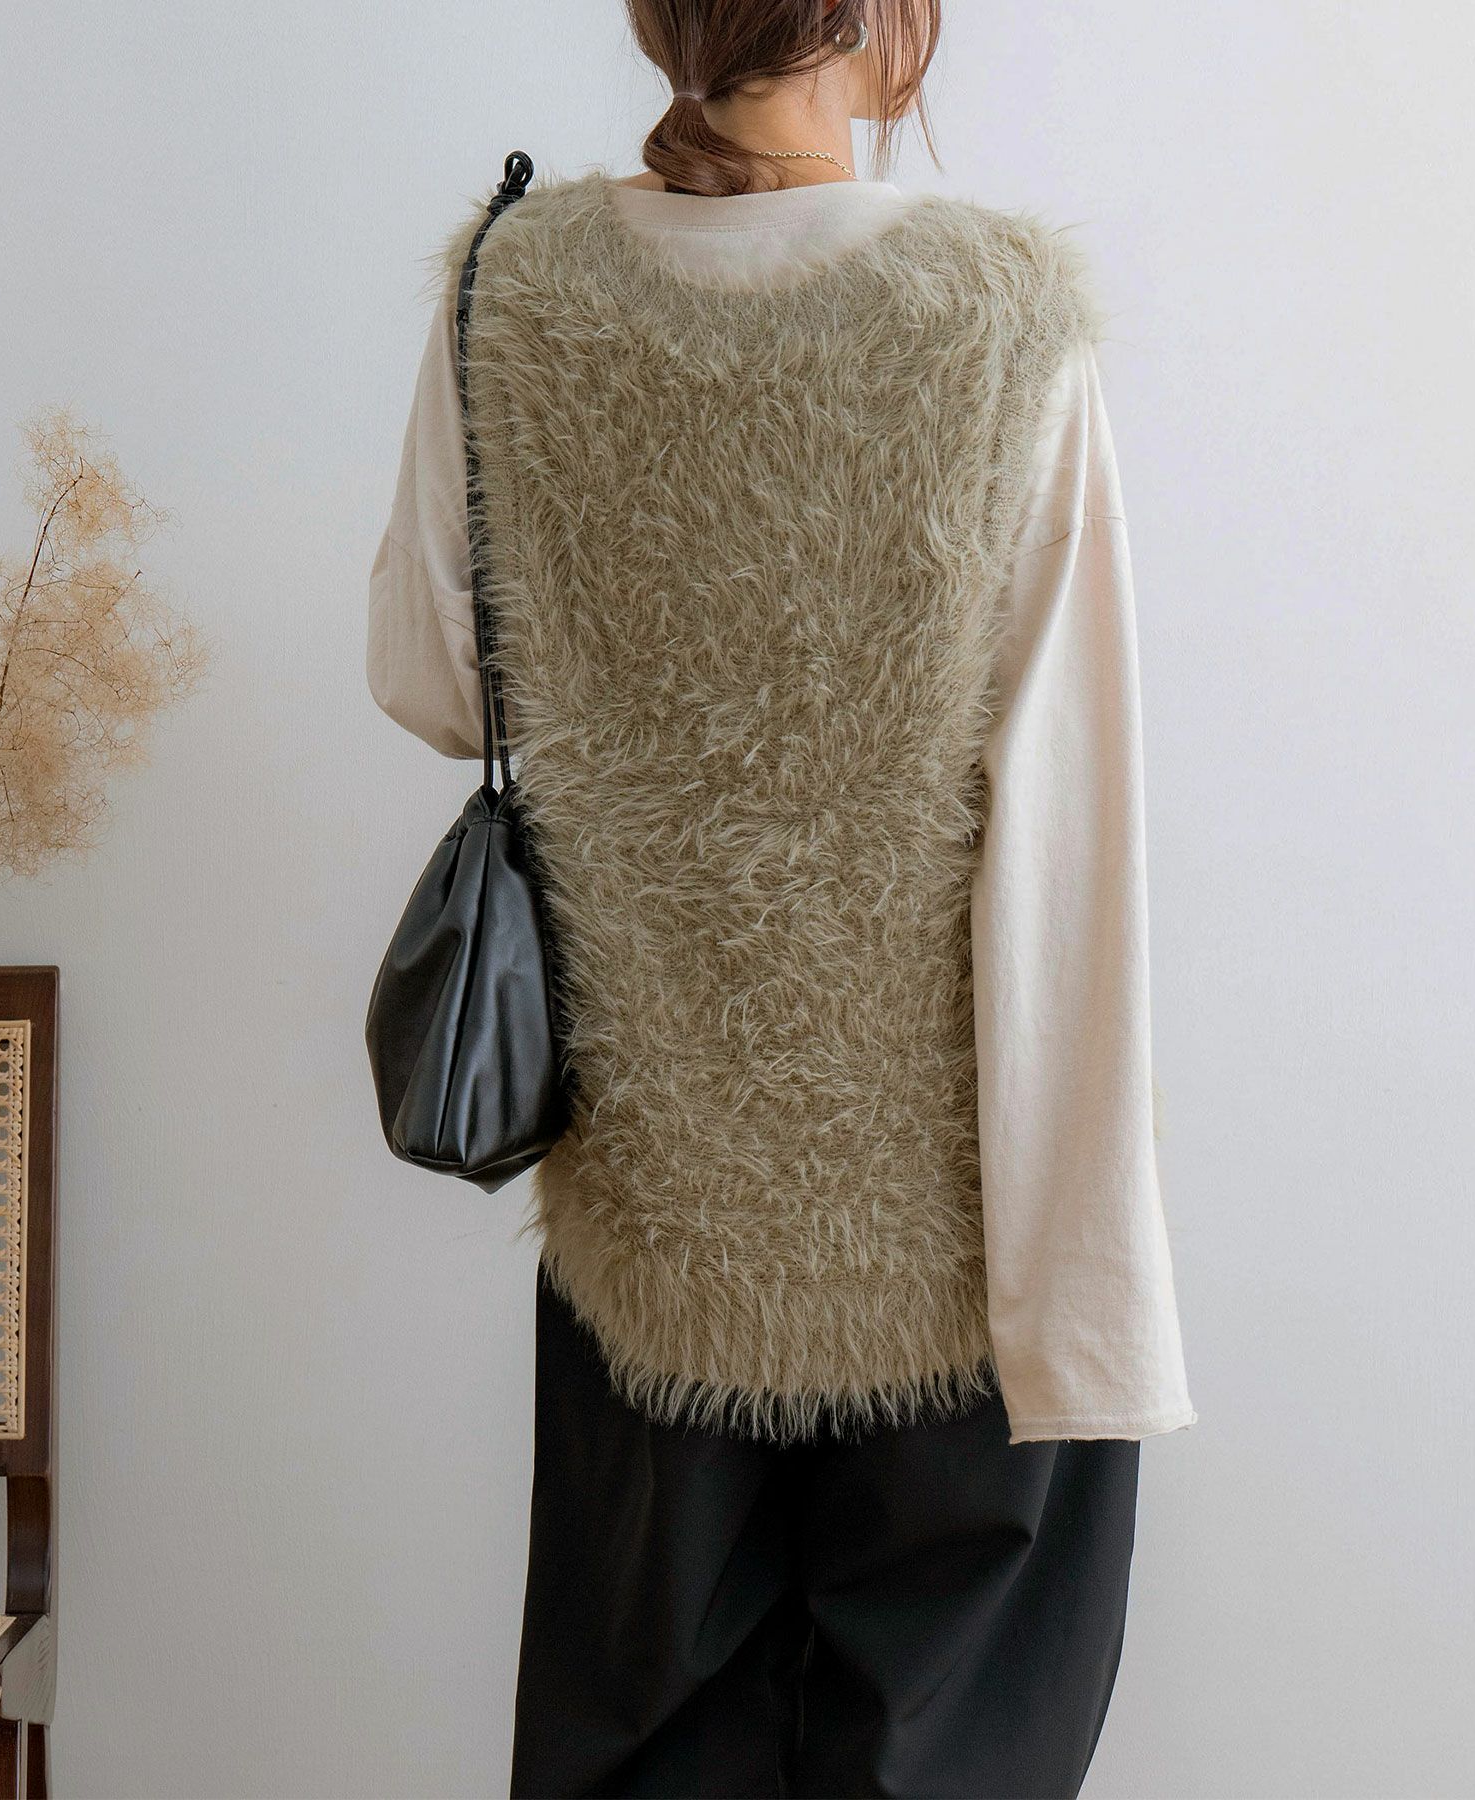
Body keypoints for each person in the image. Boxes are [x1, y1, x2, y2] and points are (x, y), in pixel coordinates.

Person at [367, 3, 1195, 1794]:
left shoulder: (514, 289)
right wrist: (1094, 1302)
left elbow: (433, 680)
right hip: (960, 1257)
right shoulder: (995, 315)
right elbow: (1067, 825)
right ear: (885, 22)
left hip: (653, 1242)